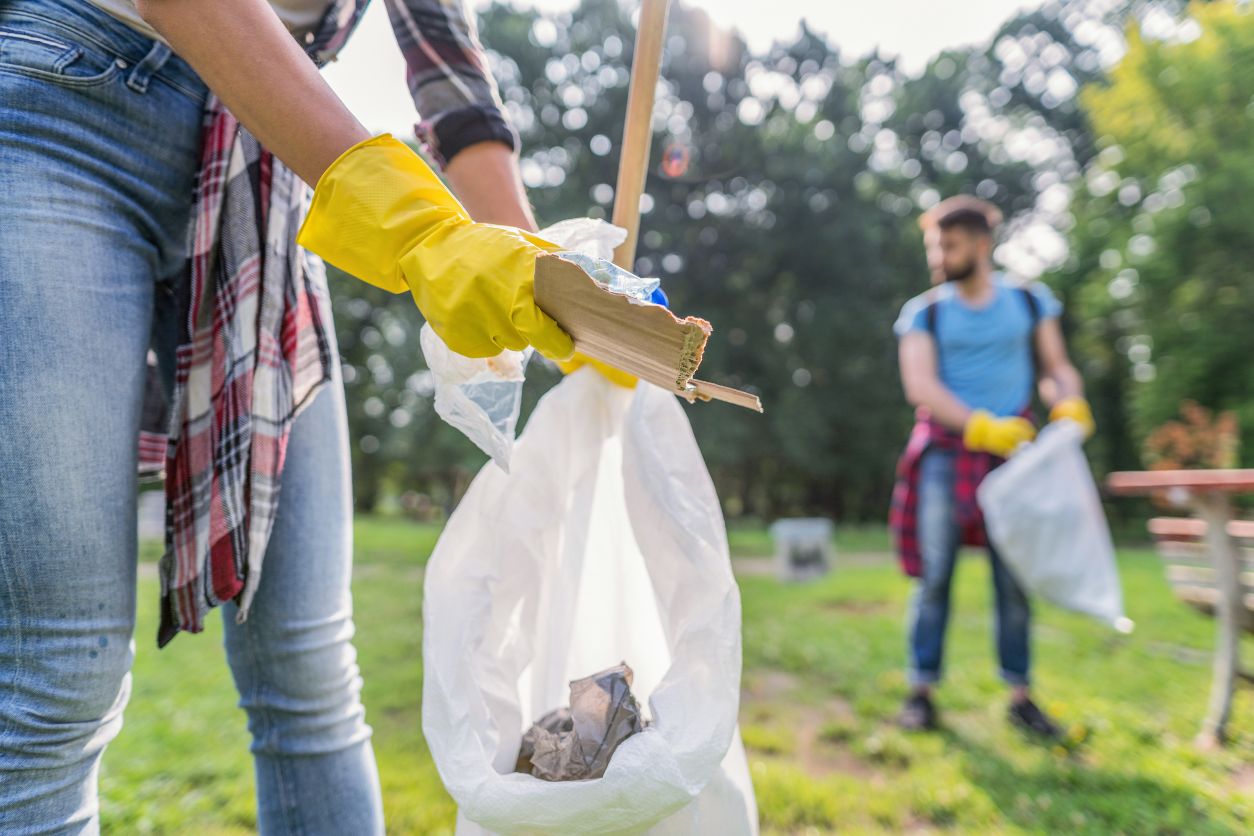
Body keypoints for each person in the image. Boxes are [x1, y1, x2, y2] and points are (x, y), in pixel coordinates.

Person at [0, 0, 573, 832]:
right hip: (63, 103)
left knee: (309, 669)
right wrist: (417, 228)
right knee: (59, 674)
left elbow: (452, 77)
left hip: (257, 165)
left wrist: (553, 286)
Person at [888, 196, 1095, 737]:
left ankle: (1020, 696)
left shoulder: (1028, 302)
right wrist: (978, 424)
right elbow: (921, 385)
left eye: (949, 245)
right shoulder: (925, 312)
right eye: (935, 245)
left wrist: (1067, 401)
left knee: (1015, 579)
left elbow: (1056, 369)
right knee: (935, 578)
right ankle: (921, 692)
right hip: (946, 454)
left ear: (982, 245)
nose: (939, 255)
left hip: (1014, 459)